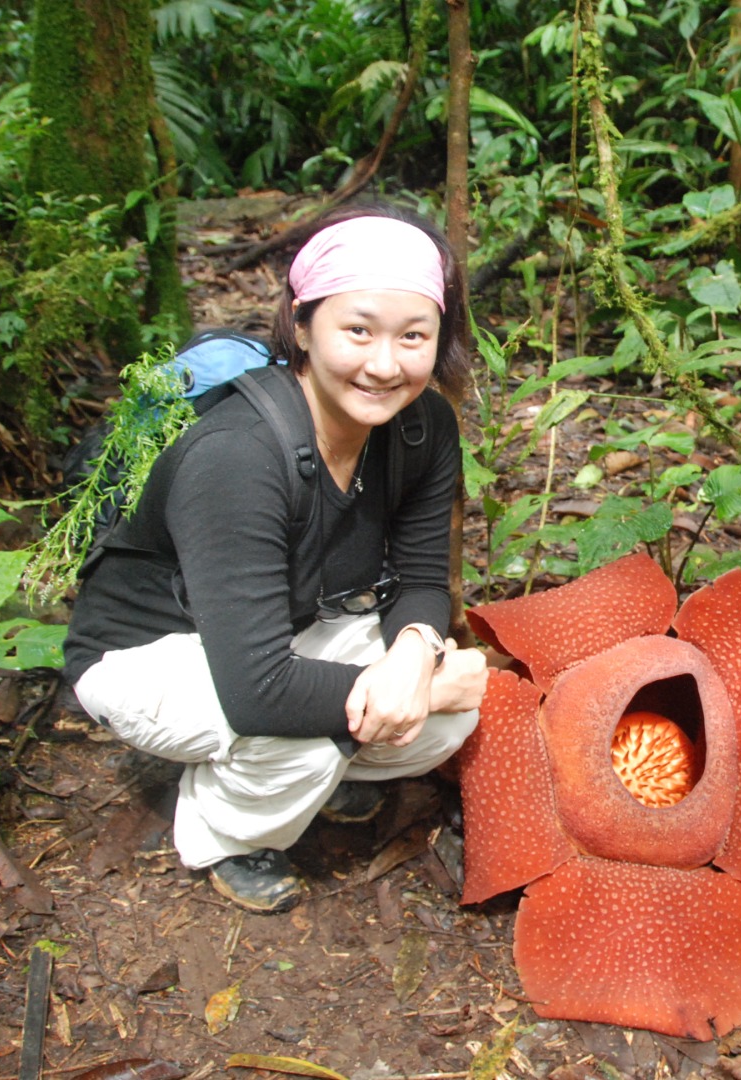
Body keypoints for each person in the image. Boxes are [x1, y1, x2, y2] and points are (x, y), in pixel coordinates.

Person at [64, 205, 490, 914]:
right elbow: (258, 691)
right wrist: (422, 688)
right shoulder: (236, 455)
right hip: (149, 654)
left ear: (438, 338)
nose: (384, 365)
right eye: (357, 330)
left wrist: (415, 656)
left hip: (272, 631)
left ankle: (320, 764)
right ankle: (225, 835)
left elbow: (418, 579)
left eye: (413, 336)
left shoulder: (421, 425)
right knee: (325, 730)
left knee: (446, 719)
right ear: (300, 324)